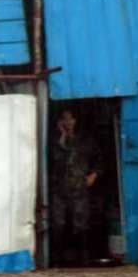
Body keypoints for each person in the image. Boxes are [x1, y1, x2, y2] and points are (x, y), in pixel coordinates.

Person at [50, 109, 103, 266]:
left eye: (70, 119)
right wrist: (63, 136)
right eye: (64, 119)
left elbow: (99, 159)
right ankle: (57, 261)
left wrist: (93, 175)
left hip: (80, 188)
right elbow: (55, 159)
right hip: (59, 189)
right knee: (58, 224)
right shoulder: (56, 141)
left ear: (76, 121)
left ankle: (83, 261)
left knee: (81, 224)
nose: (68, 122)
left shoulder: (86, 140)